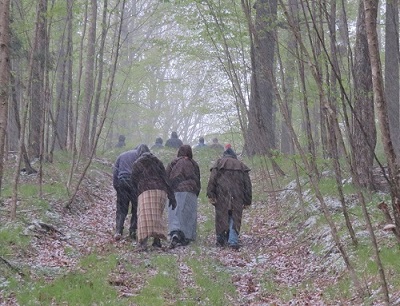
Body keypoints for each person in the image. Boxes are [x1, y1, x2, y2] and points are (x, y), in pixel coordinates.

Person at [131, 145, 177, 251]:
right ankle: (157, 242)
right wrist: (171, 196)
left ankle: (142, 243)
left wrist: (135, 195)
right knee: (156, 216)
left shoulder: (137, 163)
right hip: (161, 190)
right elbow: (165, 178)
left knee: (144, 217)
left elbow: (133, 180)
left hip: (145, 190)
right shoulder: (158, 162)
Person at [207, 145, 252, 250]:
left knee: (221, 216)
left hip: (222, 194)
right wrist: (247, 200)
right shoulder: (241, 166)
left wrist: (211, 194)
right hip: (237, 196)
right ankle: (233, 241)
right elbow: (247, 185)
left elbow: (212, 180)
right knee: (235, 217)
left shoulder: (218, 164)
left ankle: (220, 239)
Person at [166, 145, 201, 248]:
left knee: (175, 212)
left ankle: (175, 232)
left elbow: (166, 176)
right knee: (189, 213)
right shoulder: (193, 164)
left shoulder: (173, 163)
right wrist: (196, 191)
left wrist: (169, 190)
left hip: (176, 189)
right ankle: (186, 236)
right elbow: (197, 179)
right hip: (190, 190)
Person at [112, 144, 143, 241]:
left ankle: (118, 230)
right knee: (135, 208)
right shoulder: (139, 156)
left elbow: (115, 173)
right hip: (135, 183)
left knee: (121, 208)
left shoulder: (121, 155)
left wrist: (117, 186)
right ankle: (133, 231)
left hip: (122, 181)